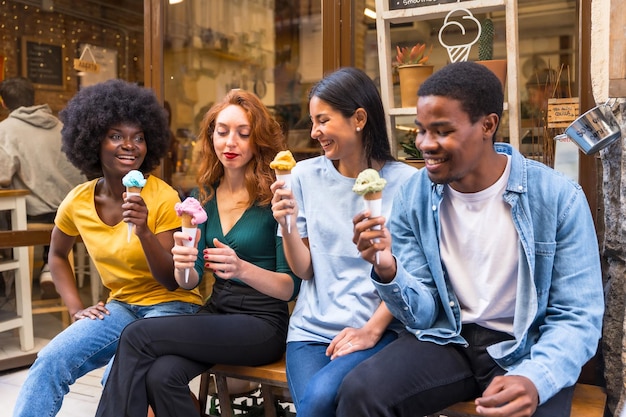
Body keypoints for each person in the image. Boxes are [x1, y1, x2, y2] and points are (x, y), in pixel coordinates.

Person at [343, 61, 604, 417]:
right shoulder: (413, 196)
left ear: (487, 125)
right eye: (420, 130)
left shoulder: (559, 198)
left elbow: (577, 317)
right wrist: (388, 269)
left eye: (441, 130)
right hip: (450, 336)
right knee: (361, 393)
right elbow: (423, 314)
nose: (424, 144)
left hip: (527, 347)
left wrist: (536, 378)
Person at [94, 89, 301, 417]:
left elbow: (290, 287)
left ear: (257, 140)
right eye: (222, 132)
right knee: (162, 376)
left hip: (262, 324)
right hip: (217, 312)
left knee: (136, 335)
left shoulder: (274, 196)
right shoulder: (201, 197)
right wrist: (183, 264)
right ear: (211, 137)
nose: (230, 142)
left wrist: (241, 269)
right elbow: (188, 282)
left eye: (242, 134)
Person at [12, 79, 203, 417]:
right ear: (93, 140)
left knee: (117, 377)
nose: (129, 146)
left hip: (171, 308)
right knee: (50, 361)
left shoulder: (161, 197)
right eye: (116, 135)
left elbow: (172, 281)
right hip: (122, 307)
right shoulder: (78, 200)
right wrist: (75, 308)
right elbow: (56, 255)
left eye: (138, 137)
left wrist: (143, 229)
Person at [270, 67, 417, 417]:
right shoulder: (303, 176)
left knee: (320, 400)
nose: (314, 132)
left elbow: (412, 275)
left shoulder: (408, 183)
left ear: (359, 118)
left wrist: (370, 330)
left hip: (379, 330)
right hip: (311, 332)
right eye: (312, 122)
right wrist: (286, 222)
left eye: (323, 120)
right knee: (317, 405)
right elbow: (304, 270)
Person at [0, 76, 85, 298]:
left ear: (3, 102)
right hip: (68, 213)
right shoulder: (60, 126)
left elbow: (3, 177)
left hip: (31, 215)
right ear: (33, 99)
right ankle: (50, 266)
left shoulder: (5, 130)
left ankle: (8, 284)